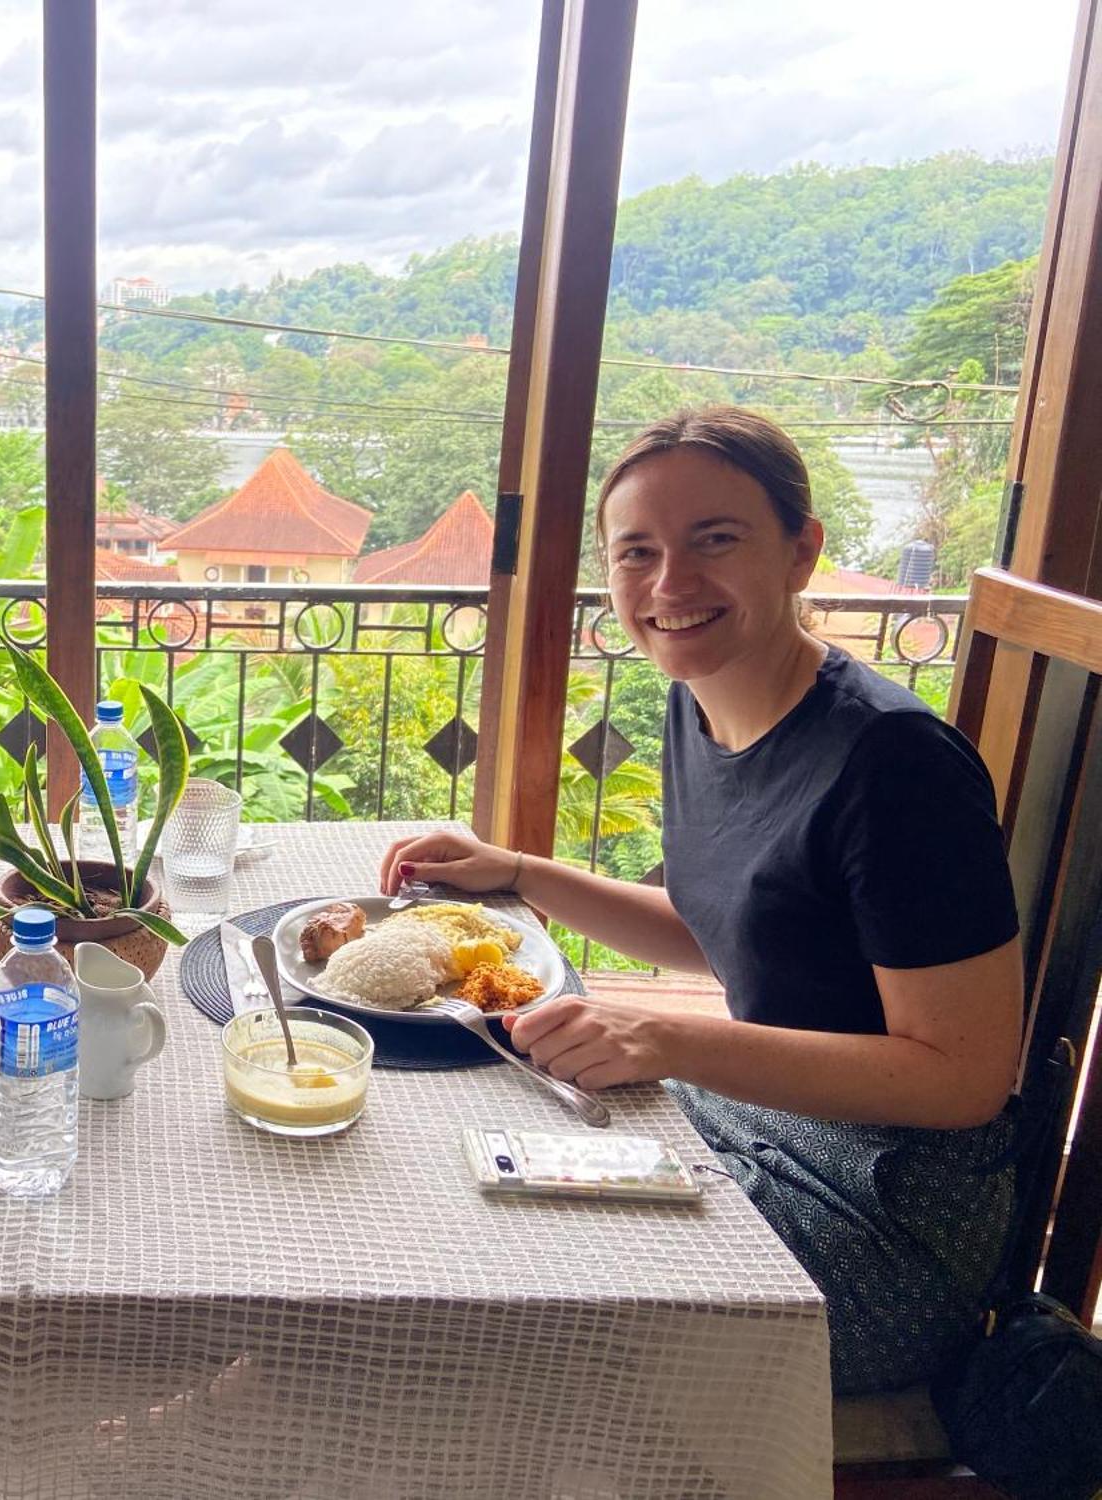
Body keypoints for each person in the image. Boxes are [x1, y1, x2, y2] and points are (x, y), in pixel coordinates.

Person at [381, 407, 1021, 1395]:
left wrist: (666, 1042)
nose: (669, 585)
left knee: (494, 1296)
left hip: (882, 1219)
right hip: (760, 1118)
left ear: (799, 551)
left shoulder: (895, 767)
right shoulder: (703, 699)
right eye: (635, 553)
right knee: (455, 1151)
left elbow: (962, 1077)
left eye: (713, 540)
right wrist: (517, 871)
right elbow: (728, 932)